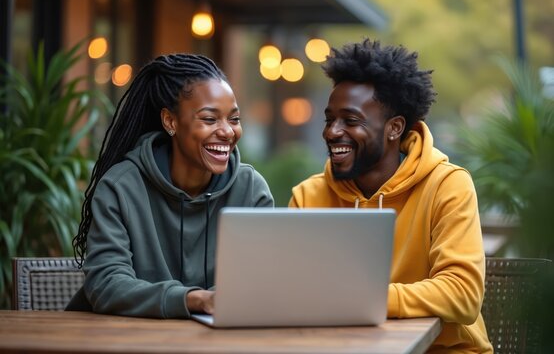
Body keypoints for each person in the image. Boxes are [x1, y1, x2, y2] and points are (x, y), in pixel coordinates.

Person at [289, 39, 492, 353]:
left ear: (394, 127)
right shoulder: (308, 195)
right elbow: (290, 292)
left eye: (351, 120)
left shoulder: (447, 185)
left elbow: (462, 295)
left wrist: (364, 299)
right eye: (330, 119)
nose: (331, 132)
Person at [67, 53, 274, 318]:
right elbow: (106, 284)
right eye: (210, 119)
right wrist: (194, 299)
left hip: (216, 342)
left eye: (234, 119)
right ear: (170, 121)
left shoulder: (251, 190)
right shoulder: (121, 187)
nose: (227, 131)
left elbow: (259, 280)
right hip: (125, 339)